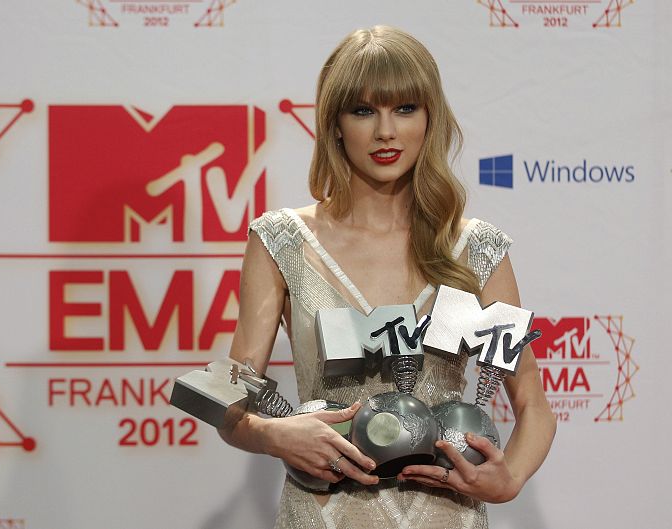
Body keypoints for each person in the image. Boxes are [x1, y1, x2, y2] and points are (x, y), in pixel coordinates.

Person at [218, 25, 555, 528]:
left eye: (404, 109)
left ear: (430, 118)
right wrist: (274, 435)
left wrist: (511, 478)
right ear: (334, 123)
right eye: (363, 111)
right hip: (323, 513)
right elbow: (233, 396)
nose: (385, 132)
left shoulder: (476, 248)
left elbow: (532, 401)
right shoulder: (282, 240)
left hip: (447, 515)